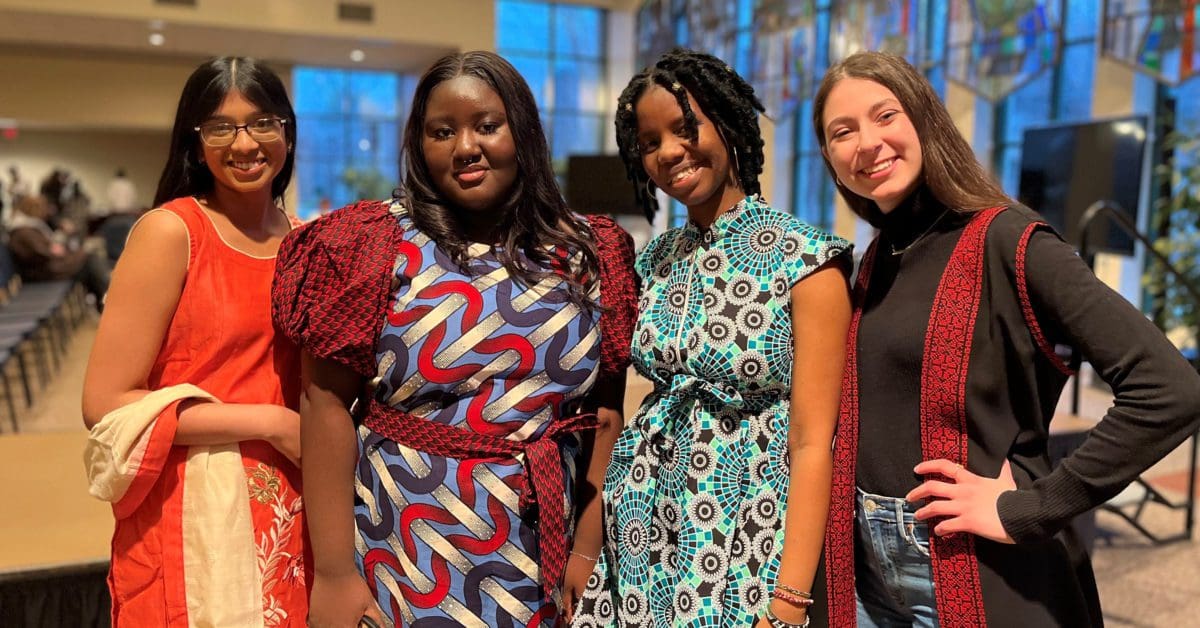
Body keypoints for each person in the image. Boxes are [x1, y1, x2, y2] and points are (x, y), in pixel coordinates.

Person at [812, 51, 1200, 627]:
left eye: (885, 115)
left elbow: (1170, 389)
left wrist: (1034, 506)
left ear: (923, 118)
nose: (867, 142)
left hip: (965, 563)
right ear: (830, 158)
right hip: (864, 570)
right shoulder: (873, 260)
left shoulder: (1008, 240)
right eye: (842, 131)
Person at [272, 50, 637, 627]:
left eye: (486, 125)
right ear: (420, 144)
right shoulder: (372, 244)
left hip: (544, 541)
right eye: (443, 132)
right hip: (408, 543)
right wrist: (336, 573)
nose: (465, 146)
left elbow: (605, 410)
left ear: (523, 130)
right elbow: (324, 405)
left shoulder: (590, 250)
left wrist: (588, 547)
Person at [574, 48, 852, 628]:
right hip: (642, 522)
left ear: (727, 124)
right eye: (649, 143)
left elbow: (812, 441)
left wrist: (790, 601)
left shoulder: (807, 260)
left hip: (744, 531)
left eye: (684, 127)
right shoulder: (654, 260)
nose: (669, 152)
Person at [81, 57, 308, 627]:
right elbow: (105, 402)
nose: (244, 143)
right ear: (196, 140)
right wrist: (271, 422)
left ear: (286, 130)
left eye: (261, 123)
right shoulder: (172, 231)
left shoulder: (306, 240)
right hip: (193, 509)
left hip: (291, 501)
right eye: (221, 127)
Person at [8, 194, 109, 303]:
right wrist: (53, 248)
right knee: (89, 260)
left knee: (89, 262)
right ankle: (108, 298)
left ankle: (105, 298)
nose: (45, 212)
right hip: (45, 273)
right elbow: (44, 253)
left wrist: (53, 246)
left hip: (47, 268)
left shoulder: (27, 228)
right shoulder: (23, 231)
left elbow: (44, 248)